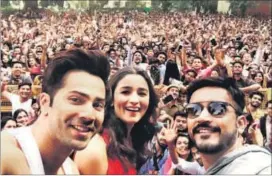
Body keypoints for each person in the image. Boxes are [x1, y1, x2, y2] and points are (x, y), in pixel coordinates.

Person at [1, 49, 110, 174]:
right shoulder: (5, 153)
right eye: (76, 100)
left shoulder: (71, 170)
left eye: (97, 105)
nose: (89, 115)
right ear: (45, 103)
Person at [73, 66, 158, 174]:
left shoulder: (133, 138)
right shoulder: (95, 150)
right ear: (111, 98)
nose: (135, 100)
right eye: (126, 92)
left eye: (142, 93)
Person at [185, 77, 271, 174]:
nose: (202, 117)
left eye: (218, 109)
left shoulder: (262, 169)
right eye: (193, 110)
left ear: (240, 123)